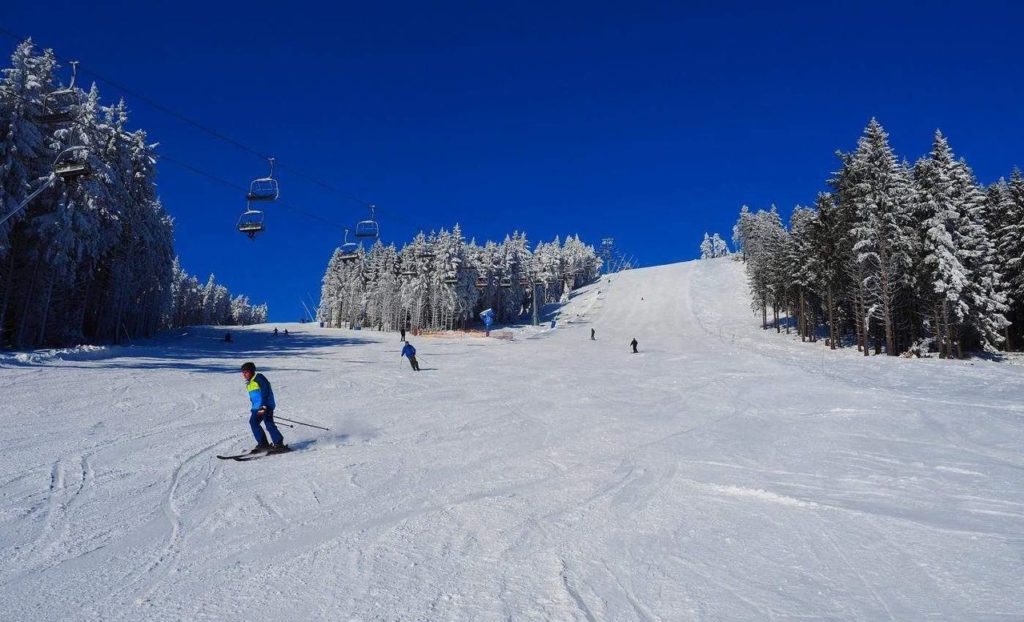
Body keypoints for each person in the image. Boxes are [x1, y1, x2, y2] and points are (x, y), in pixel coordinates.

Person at [240, 362, 288, 453]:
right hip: (257, 407)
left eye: (246, 372)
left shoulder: (259, 378)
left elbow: (265, 392)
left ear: (251, 371)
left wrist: (264, 405)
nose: (244, 374)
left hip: (265, 406)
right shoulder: (250, 383)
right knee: (256, 422)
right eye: (243, 372)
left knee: (266, 423)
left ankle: (278, 444)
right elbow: (254, 397)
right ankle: (265, 444)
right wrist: (254, 407)